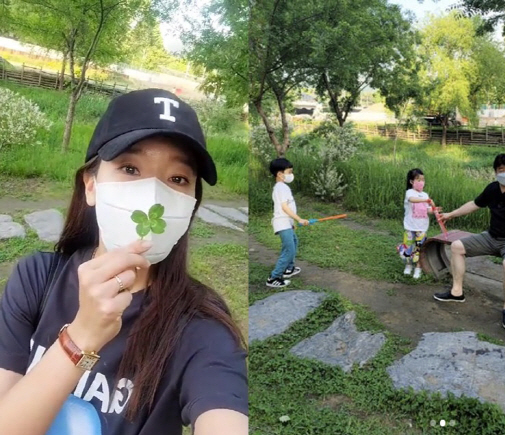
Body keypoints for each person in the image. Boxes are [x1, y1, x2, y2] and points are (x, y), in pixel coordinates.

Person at [0, 89, 248, 435]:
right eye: (130, 168)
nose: (152, 195)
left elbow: (224, 414)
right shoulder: (38, 279)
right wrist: (81, 337)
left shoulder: (199, 326)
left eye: (178, 179)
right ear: (91, 186)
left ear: (191, 205)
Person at [435, 153, 505, 330]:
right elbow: (474, 204)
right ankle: (456, 292)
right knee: (457, 247)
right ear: (495, 172)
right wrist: (451, 214)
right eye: (501, 170)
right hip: (491, 237)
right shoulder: (492, 189)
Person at [266, 158, 309, 288]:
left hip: (286, 223)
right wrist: (299, 219)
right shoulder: (281, 188)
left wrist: (291, 223)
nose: (291, 174)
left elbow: (284, 208)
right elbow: (284, 208)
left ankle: (288, 269)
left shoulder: (282, 187)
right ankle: (274, 277)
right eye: (289, 172)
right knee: (288, 250)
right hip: (282, 224)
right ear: (280, 174)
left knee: (294, 243)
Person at [397, 168, 433, 279]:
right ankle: (408, 265)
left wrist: (434, 210)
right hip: (409, 226)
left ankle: (418, 267)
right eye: (418, 179)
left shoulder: (425, 195)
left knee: (420, 248)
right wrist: (425, 201)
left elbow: (428, 210)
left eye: (423, 179)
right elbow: (412, 200)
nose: (421, 182)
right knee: (408, 246)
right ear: (411, 181)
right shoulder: (409, 193)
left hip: (422, 227)